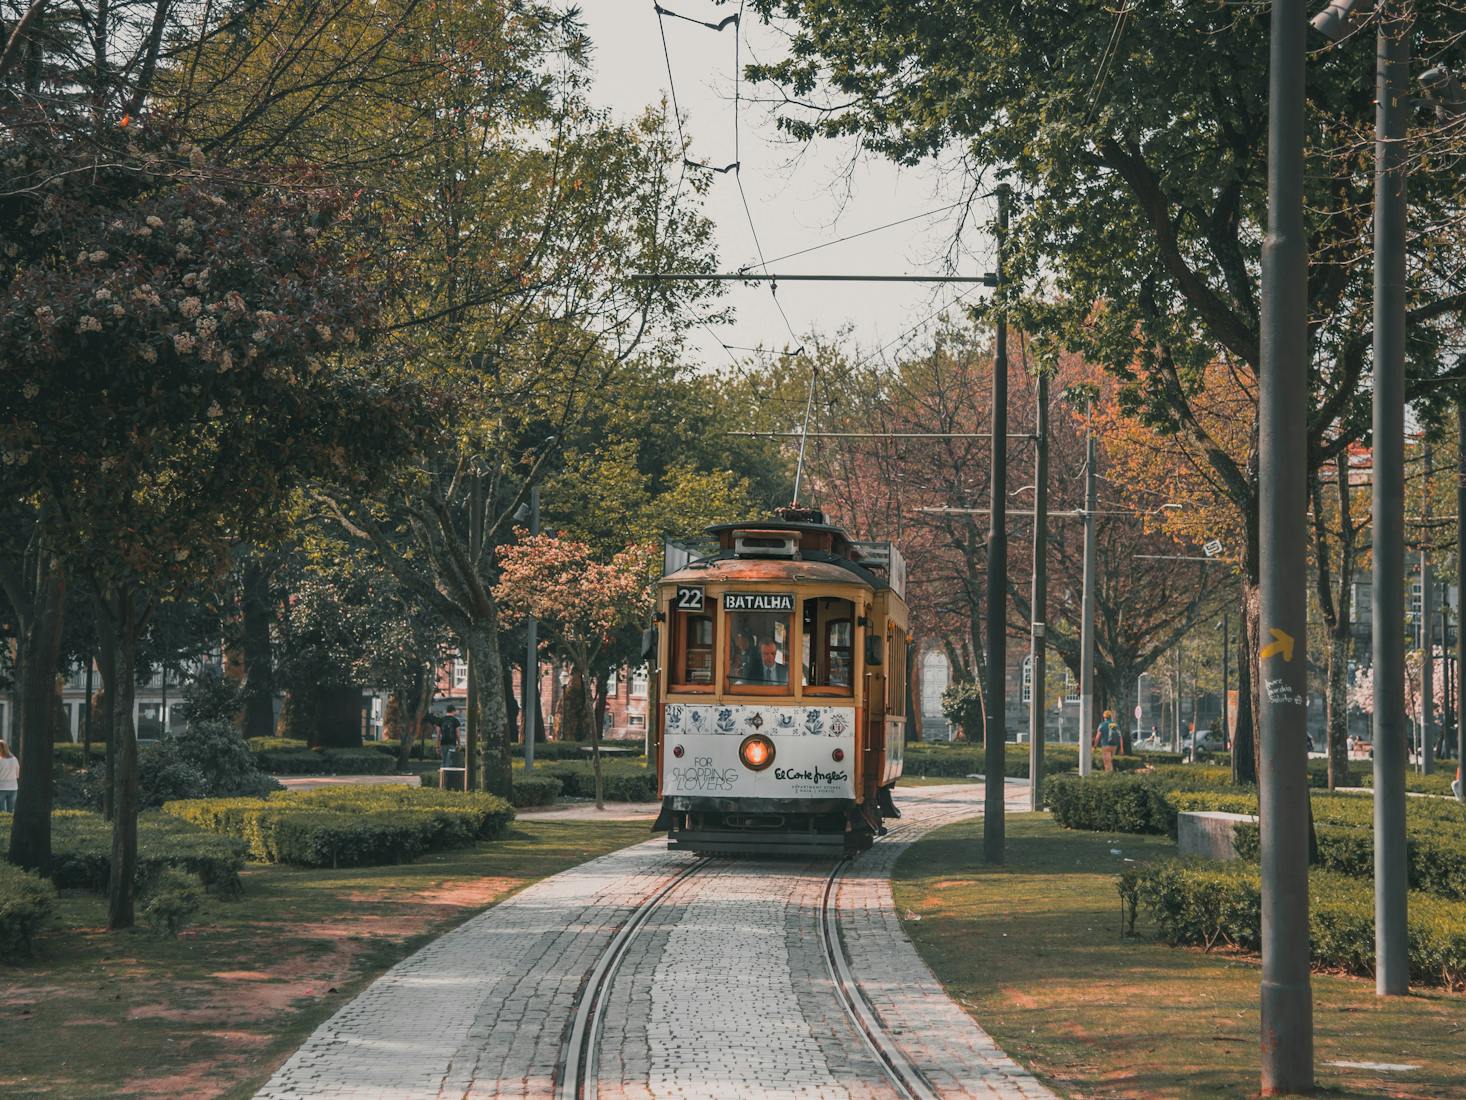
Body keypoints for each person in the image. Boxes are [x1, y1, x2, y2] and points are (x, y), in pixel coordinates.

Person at [0, 740, 18, 812]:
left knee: (1, 811)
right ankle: (10, 823)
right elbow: (17, 774)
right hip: (13, 787)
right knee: (11, 811)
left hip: (1, 788)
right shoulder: (14, 759)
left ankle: (3, 823)